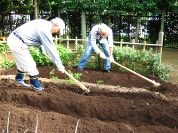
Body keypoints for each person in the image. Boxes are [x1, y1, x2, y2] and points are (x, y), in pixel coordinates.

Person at [7, 17, 66, 91]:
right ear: (56, 25)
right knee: (31, 66)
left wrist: (40, 46)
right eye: (58, 30)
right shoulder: (45, 30)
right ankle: (36, 86)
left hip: (14, 39)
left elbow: (33, 34)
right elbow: (51, 49)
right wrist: (59, 64)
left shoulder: (43, 23)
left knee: (21, 64)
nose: (57, 32)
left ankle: (18, 81)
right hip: (18, 42)